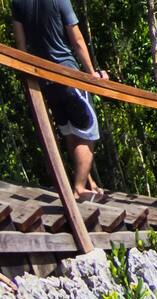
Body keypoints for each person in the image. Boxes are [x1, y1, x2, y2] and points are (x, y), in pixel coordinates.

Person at [10, 0, 107, 202]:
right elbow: (77, 40)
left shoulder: (18, 2)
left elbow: (21, 46)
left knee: (71, 131)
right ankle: (79, 188)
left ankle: (87, 182)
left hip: (45, 80)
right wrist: (92, 74)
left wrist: (31, 79)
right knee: (88, 131)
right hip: (67, 75)